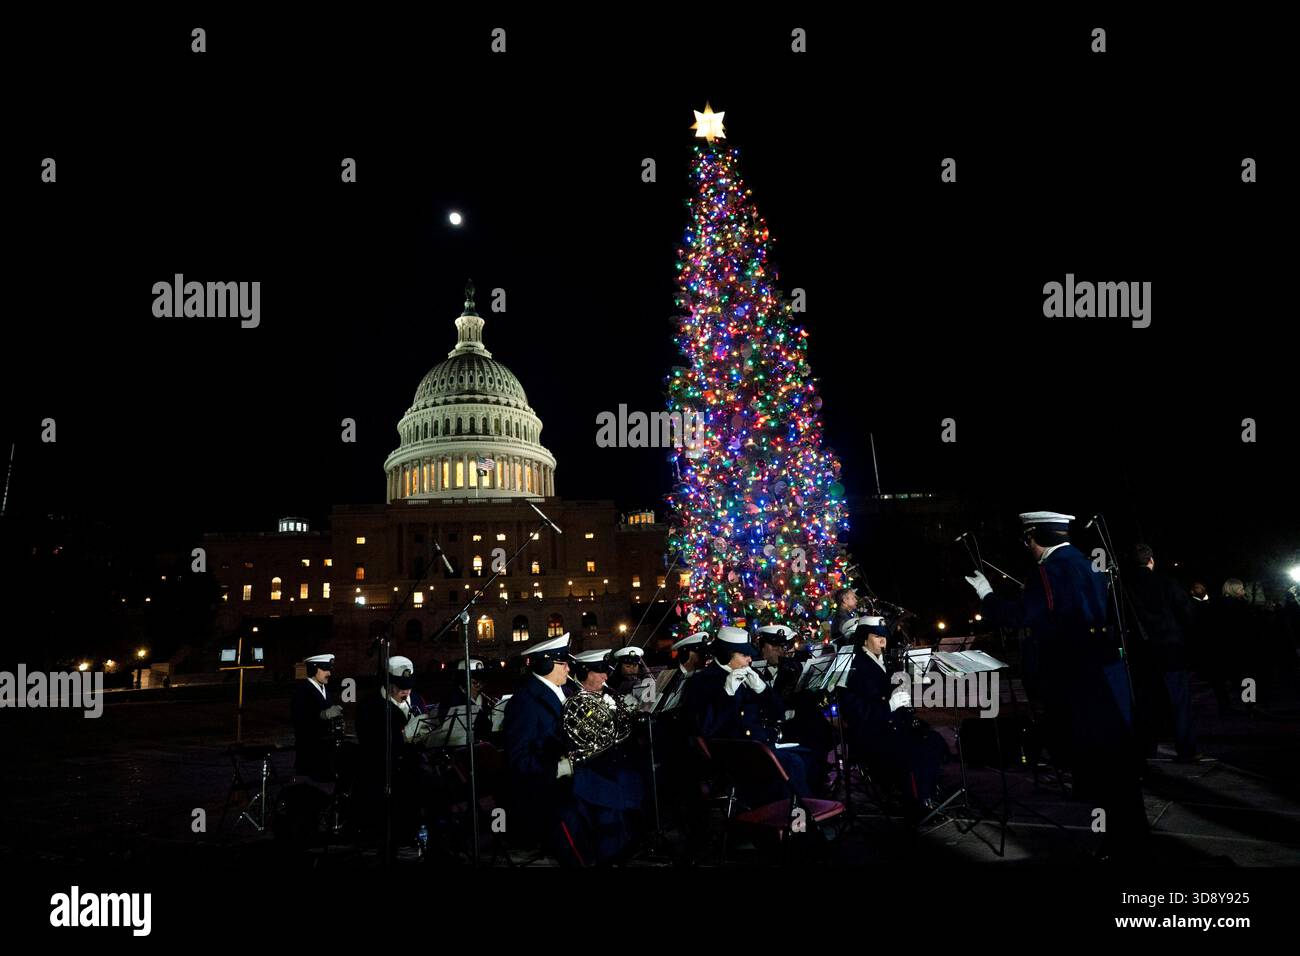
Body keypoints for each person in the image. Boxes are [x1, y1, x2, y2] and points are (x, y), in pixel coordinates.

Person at [965, 511, 1148, 860]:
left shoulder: (1050, 570)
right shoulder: (1086, 562)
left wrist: (987, 596)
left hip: (1079, 678)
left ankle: (1120, 846)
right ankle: (1130, 840)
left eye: (1029, 539)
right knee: (1118, 767)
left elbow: (1025, 615)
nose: (1028, 547)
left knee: (1100, 768)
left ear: (1039, 537)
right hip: (1106, 672)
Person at [839, 616, 947, 821]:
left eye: (884, 636)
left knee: (933, 741)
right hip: (872, 733)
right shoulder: (852, 665)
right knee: (914, 750)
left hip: (893, 727)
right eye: (877, 636)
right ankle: (916, 803)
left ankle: (926, 796)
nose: (883, 640)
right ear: (863, 639)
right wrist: (889, 705)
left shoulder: (884, 661)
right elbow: (854, 711)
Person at [685, 625, 812, 799]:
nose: (750, 660)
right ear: (726, 655)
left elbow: (778, 713)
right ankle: (797, 819)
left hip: (760, 743)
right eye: (744, 655)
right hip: (733, 751)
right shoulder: (702, 681)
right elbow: (704, 727)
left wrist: (762, 690)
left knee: (809, 756)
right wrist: (726, 694)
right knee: (792, 763)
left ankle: (798, 815)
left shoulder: (749, 673)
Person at [501, 634, 591, 864]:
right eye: (563, 663)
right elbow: (519, 759)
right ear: (546, 665)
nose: (569, 668)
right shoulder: (525, 701)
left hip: (575, 774)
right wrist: (560, 764)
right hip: (549, 786)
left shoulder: (566, 692)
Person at [1126, 544, 1202, 762]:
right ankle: (1186, 748)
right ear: (1151, 560)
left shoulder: (1126, 587)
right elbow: (1188, 613)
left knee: (1145, 701)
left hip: (1142, 652)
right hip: (1170, 649)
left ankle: (1147, 748)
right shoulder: (1167, 583)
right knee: (1179, 701)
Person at [357, 655, 437, 854]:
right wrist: (403, 737)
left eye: (409, 685)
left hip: (417, 764)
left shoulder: (417, 699)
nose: (406, 691)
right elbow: (371, 746)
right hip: (386, 770)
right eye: (400, 686)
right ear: (387, 682)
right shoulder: (370, 706)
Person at [290, 653, 343, 783]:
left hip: (325, 754)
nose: (329, 673)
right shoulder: (302, 691)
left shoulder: (324, 688)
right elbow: (300, 721)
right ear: (314, 669)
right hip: (310, 754)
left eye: (330, 669)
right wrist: (323, 715)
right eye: (325, 669)